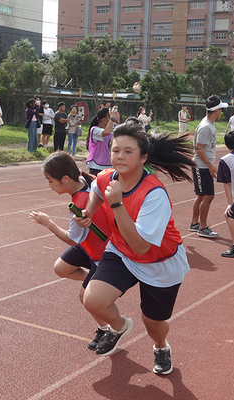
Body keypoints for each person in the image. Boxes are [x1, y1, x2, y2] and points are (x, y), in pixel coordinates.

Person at [76, 118, 194, 375]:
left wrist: (117, 204)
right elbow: (96, 187)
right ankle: (118, 327)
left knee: (153, 323)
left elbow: (140, 246)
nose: (119, 157)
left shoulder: (154, 194)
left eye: (128, 152)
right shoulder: (108, 178)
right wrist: (87, 212)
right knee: (92, 300)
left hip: (159, 262)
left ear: (143, 157)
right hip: (120, 252)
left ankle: (161, 346)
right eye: (115, 150)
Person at [29, 151, 112, 351]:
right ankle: (97, 284)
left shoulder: (80, 204)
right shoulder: (83, 179)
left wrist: (48, 223)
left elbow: (72, 240)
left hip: (100, 252)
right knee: (61, 268)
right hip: (89, 243)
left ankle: (107, 328)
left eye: (50, 181)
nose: (49, 186)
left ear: (65, 179)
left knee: (85, 298)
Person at [189, 94, 228, 238]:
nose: (221, 112)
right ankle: (203, 227)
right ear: (216, 110)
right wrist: (210, 166)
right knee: (208, 196)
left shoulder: (208, 125)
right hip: (201, 166)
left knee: (201, 196)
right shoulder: (206, 127)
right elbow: (198, 148)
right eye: (221, 109)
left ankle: (194, 224)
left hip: (203, 165)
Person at [85, 107, 115, 176]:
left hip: (109, 166)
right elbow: (106, 132)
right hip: (97, 166)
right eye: (109, 117)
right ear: (104, 120)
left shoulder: (112, 130)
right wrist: (112, 118)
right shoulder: (94, 130)